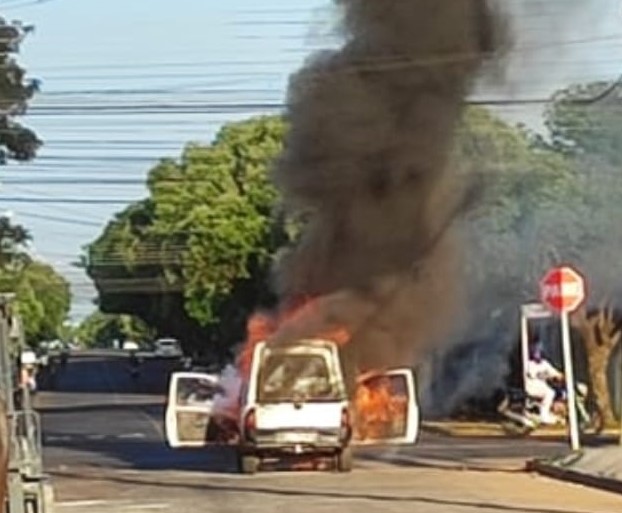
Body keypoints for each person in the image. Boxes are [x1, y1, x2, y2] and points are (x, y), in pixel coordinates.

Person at [525, 340, 564, 425]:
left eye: (538, 353)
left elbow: (553, 372)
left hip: (541, 386)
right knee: (550, 393)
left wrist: (560, 375)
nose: (537, 355)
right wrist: (548, 376)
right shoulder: (529, 364)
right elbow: (534, 375)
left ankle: (544, 412)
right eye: (535, 353)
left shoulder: (545, 364)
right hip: (532, 386)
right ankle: (544, 415)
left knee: (552, 391)